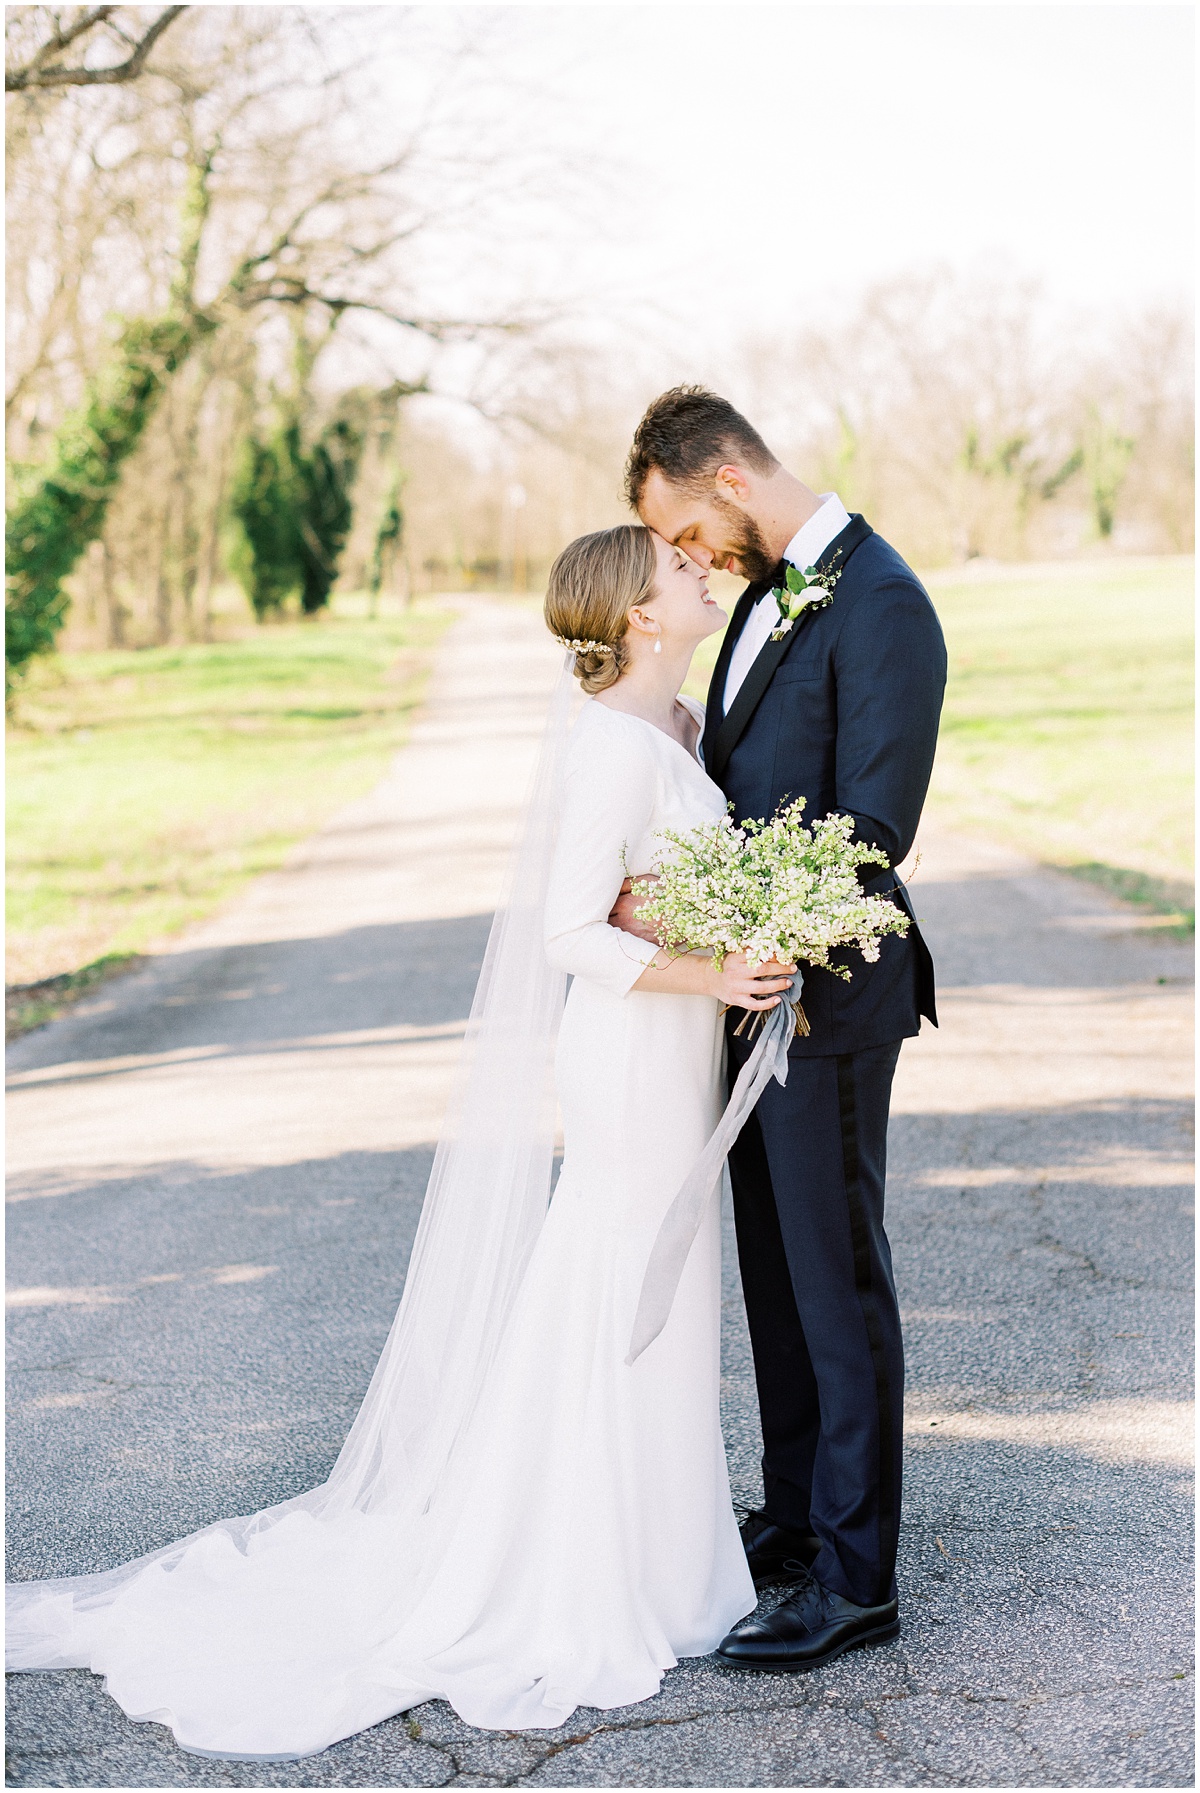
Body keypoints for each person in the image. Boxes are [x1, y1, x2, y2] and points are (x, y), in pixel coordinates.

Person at [6, 524, 793, 1760]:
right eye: (680, 572)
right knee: (616, 1279)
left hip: (675, 1043)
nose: (703, 576)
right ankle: (578, 1564)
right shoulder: (609, 753)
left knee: (668, 1284)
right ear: (641, 614)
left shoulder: (677, 732)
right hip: (631, 1051)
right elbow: (568, 934)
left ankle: (657, 1548)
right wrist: (717, 968)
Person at [615, 386, 947, 1671]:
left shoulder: (883, 603)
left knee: (836, 1274)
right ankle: (801, 1521)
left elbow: (871, 826)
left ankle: (857, 1576)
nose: (689, 558)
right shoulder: (766, 591)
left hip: (832, 991)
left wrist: (722, 912)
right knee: (775, 1276)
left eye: (687, 529)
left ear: (731, 484)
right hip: (749, 986)